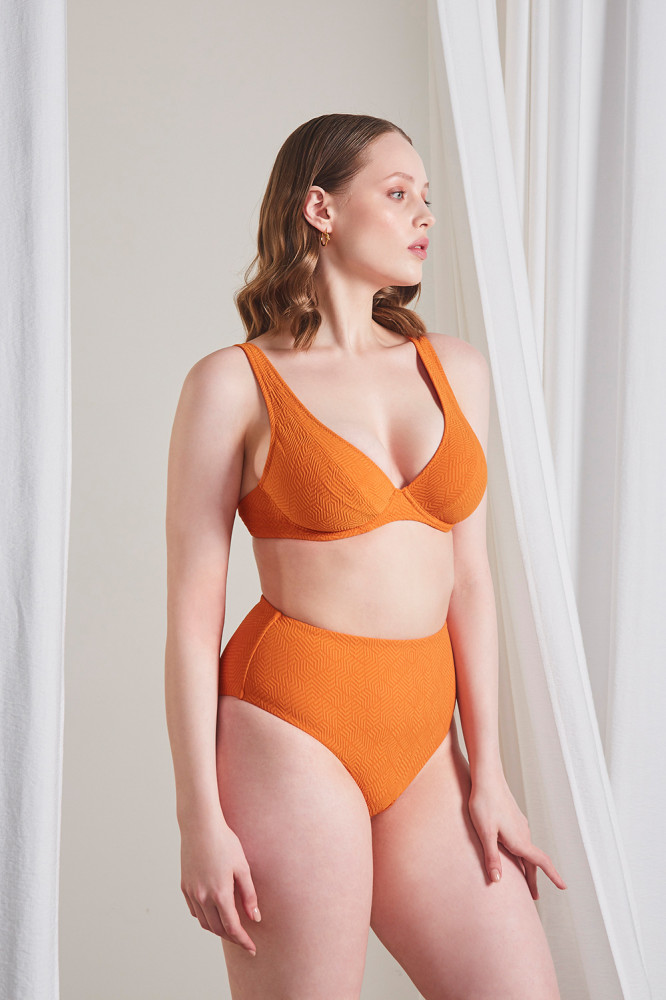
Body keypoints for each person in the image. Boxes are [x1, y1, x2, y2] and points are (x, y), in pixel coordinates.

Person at [165, 113, 567, 1000]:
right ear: (320, 208)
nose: (424, 214)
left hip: (427, 741)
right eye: (396, 193)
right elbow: (193, 619)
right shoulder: (232, 383)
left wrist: (490, 774)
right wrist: (198, 816)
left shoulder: (455, 368)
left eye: (426, 197)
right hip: (290, 729)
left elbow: (469, 581)